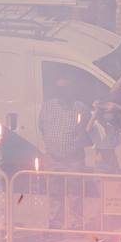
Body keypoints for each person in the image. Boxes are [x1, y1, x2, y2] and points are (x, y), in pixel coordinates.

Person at [38, 77, 90, 230]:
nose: (62, 92)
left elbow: (87, 129)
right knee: (54, 193)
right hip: (53, 159)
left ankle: (76, 224)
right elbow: (41, 126)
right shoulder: (47, 106)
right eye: (59, 89)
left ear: (71, 89)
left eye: (65, 88)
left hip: (74, 159)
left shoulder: (81, 108)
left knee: (75, 193)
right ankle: (55, 223)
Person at [86, 98, 121, 174]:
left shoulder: (111, 126)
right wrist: (96, 111)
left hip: (112, 160)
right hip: (100, 159)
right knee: (99, 184)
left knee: (112, 183)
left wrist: (113, 108)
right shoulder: (95, 125)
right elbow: (88, 129)